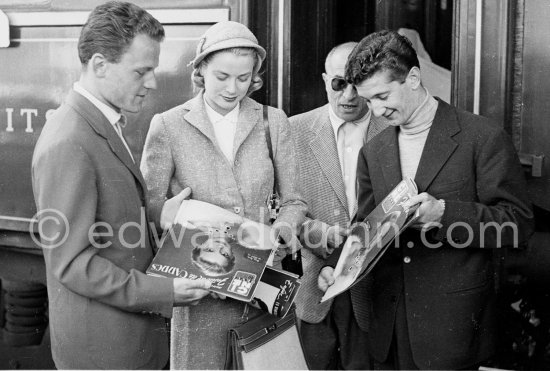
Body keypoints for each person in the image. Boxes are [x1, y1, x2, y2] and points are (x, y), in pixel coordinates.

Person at [319, 30, 535, 370]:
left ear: (414, 78)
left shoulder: (483, 137)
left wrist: (444, 214)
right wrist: (336, 265)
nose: (375, 110)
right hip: (387, 326)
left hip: (454, 326)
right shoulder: (373, 151)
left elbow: (516, 223)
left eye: (382, 96)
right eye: (368, 99)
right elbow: (365, 224)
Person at [31, 1, 212, 370]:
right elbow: (74, 264)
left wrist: (159, 214)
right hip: (107, 354)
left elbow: (105, 219)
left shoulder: (99, 121)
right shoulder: (70, 140)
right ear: (100, 65)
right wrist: (164, 291)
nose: (153, 83)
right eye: (141, 71)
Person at [140, 20, 307, 369]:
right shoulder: (169, 126)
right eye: (222, 76)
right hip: (200, 294)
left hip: (260, 290)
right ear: (201, 69)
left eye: (244, 78)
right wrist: (165, 214)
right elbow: (147, 207)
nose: (233, 88)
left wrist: (282, 232)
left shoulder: (273, 122)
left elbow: (294, 201)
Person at [289, 42, 387, 369]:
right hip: (312, 288)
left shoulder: (393, 131)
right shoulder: (292, 130)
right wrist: (318, 234)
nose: (348, 95)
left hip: (373, 291)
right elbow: (277, 205)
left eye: (357, 84)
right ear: (323, 81)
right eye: (338, 83)